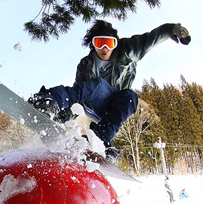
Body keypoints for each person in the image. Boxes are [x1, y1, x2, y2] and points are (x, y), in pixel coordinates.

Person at [28, 20, 191, 162]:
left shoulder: (129, 49)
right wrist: (68, 112)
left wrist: (171, 29)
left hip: (112, 108)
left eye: (110, 44)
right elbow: (78, 91)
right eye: (100, 43)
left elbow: (151, 38)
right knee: (99, 85)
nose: (105, 49)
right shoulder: (85, 64)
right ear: (93, 44)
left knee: (130, 97)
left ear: (116, 43)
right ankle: (48, 100)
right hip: (92, 103)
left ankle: (100, 140)